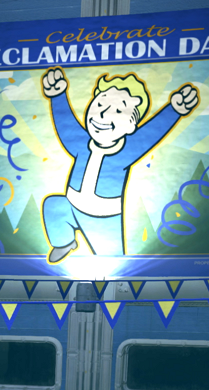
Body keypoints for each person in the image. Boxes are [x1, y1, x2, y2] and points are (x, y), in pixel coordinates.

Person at [40, 68, 199, 263]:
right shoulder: (81, 144)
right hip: (70, 206)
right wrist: (57, 95)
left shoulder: (126, 151)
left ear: (131, 125)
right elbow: (66, 125)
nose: (103, 114)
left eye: (117, 110)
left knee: (113, 261)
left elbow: (150, 134)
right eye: (99, 104)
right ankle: (65, 243)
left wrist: (173, 110)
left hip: (102, 220)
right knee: (53, 205)